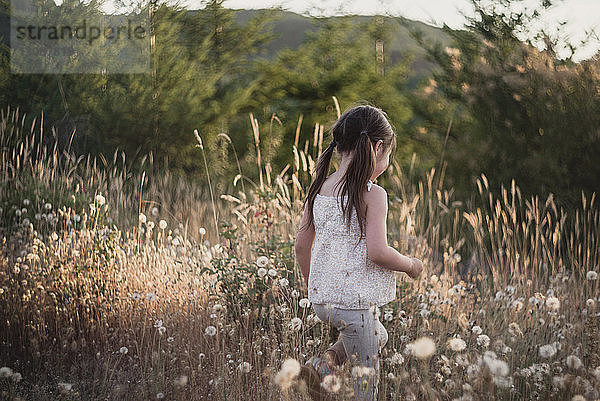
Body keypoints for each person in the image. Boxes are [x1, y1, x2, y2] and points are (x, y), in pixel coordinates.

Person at [294, 104, 424, 401]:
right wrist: (410, 265)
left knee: (381, 335)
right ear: (377, 148)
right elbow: (377, 252)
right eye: (388, 155)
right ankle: (322, 366)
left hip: (322, 301)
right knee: (367, 389)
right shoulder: (373, 194)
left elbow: (301, 245)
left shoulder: (319, 188)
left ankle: (322, 365)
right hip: (355, 305)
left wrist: (314, 286)